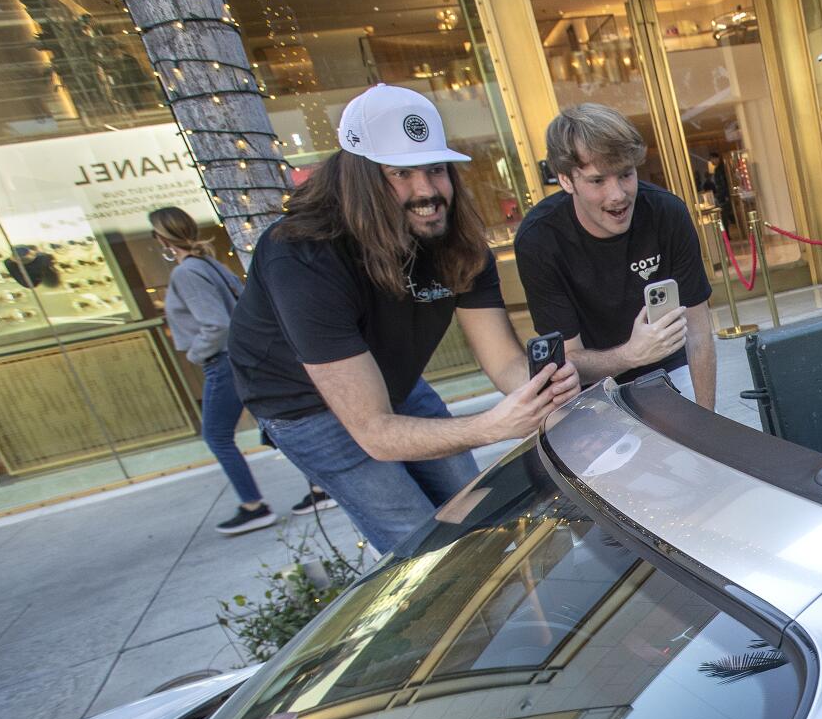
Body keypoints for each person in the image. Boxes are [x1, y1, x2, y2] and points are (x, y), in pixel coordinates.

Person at [227, 84, 581, 555]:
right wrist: (495, 425)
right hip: (303, 404)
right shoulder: (301, 255)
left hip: (391, 377)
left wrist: (542, 391)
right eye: (402, 173)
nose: (427, 192)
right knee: (416, 539)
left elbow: (503, 363)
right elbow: (374, 433)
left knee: (475, 509)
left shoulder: (454, 239)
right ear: (361, 178)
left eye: (436, 170)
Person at [513, 104, 717, 409]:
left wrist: (708, 423)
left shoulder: (667, 213)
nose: (618, 194)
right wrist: (632, 354)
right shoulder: (539, 239)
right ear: (566, 180)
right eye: (598, 181)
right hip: (592, 388)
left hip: (670, 366)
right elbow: (568, 361)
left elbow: (699, 335)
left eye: (625, 174)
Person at [151, 206, 331, 535]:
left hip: (224, 360)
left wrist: (195, 353)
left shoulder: (187, 272)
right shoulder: (210, 264)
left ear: (163, 238)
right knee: (273, 425)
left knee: (217, 435)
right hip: (246, 357)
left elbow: (216, 324)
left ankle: (253, 505)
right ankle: (321, 486)